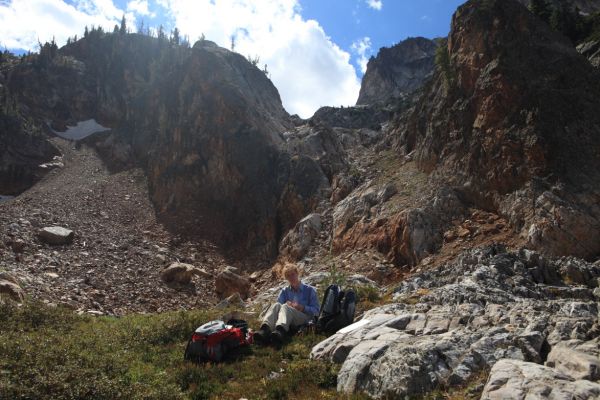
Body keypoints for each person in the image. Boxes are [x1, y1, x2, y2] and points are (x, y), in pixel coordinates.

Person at [254, 264, 320, 345]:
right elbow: (278, 309)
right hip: (289, 318)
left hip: (304, 318)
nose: (291, 278)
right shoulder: (284, 291)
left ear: (297, 273)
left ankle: (280, 331)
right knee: (276, 305)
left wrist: (302, 307)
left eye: (293, 274)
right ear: (286, 278)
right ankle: (264, 330)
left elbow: (317, 311)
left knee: (285, 306)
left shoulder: (310, 290)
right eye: (288, 276)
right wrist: (287, 305)